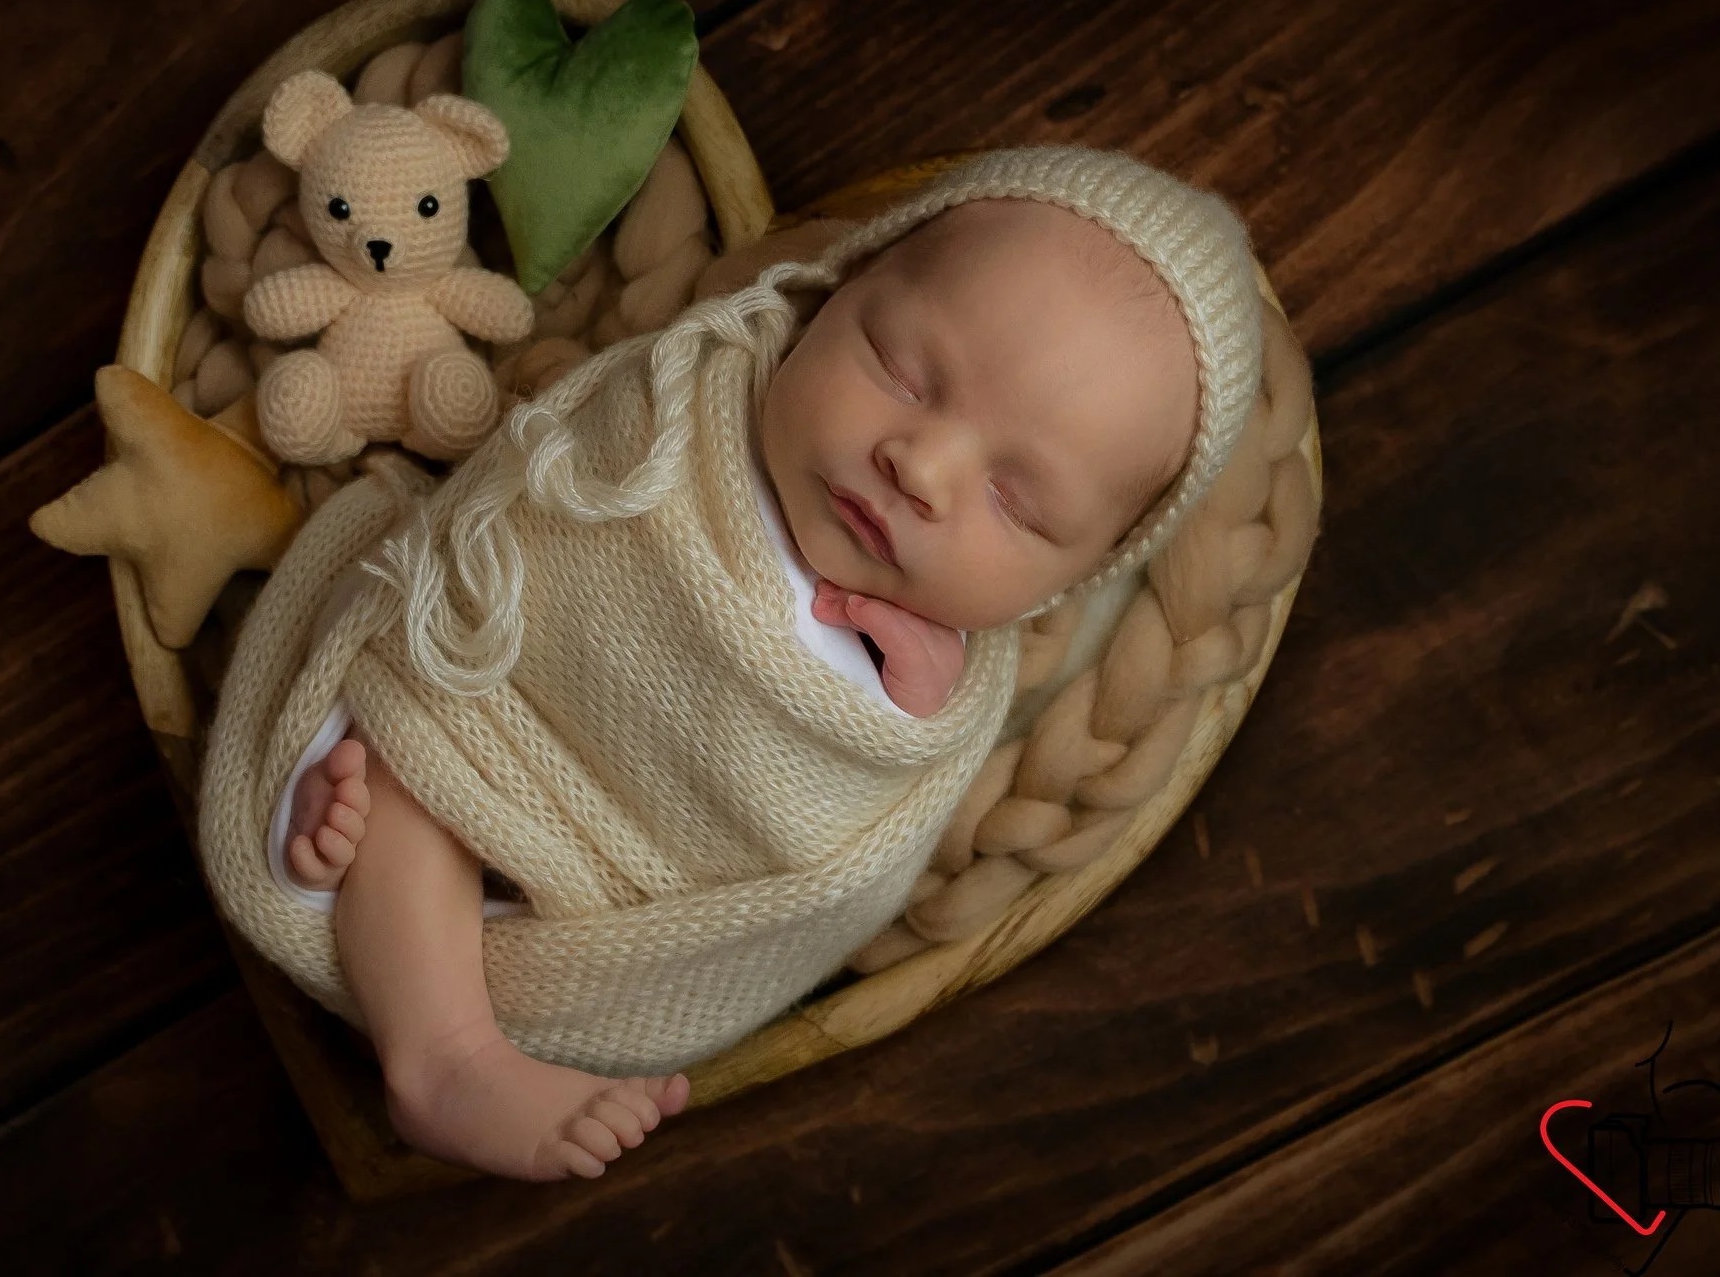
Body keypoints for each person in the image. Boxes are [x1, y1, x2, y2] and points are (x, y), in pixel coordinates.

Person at [203, 147, 1267, 1183]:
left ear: (1064, 583)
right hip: (473, 728)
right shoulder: (685, 400)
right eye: (900, 367)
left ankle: (394, 907)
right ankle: (442, 1053)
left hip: (633, 899)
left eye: (1016, 501)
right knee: (407, 755)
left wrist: (903, 720)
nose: (922, 464)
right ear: (833, 290)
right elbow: (508, 543)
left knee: (411, 783)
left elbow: (846, 852)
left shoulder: (942, 678)